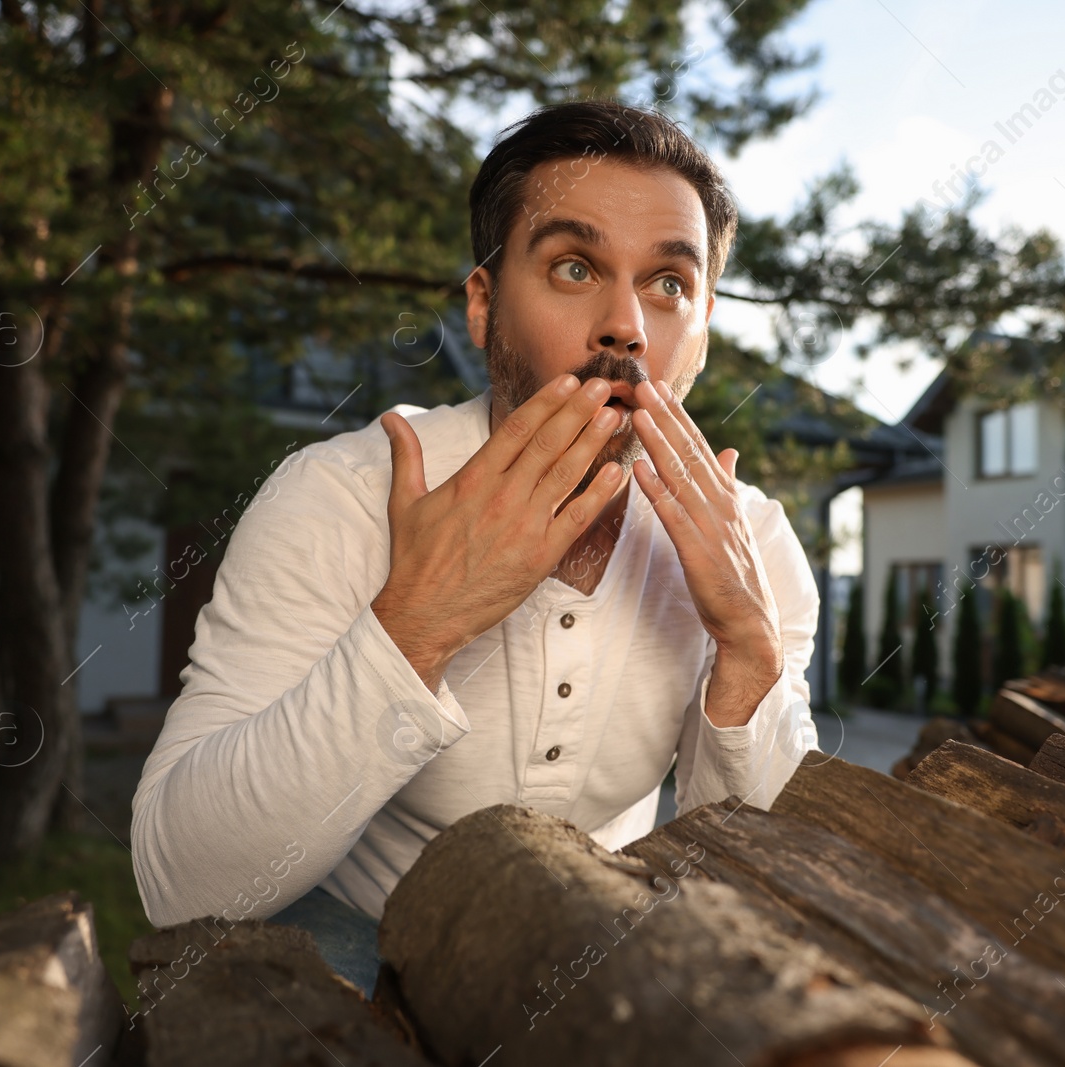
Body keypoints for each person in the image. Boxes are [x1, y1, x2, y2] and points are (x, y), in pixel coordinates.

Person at [130, 99, 820, 996]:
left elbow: (773, 880)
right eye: (575, 267)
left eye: (668, 285)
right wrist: (416, 624)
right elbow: (178, 882)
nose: (627, 326)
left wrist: (749, 652)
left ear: (702, 333)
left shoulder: (756, 542)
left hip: (602, 957)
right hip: (350, 945)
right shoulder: (338, 495)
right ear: (485, 306)